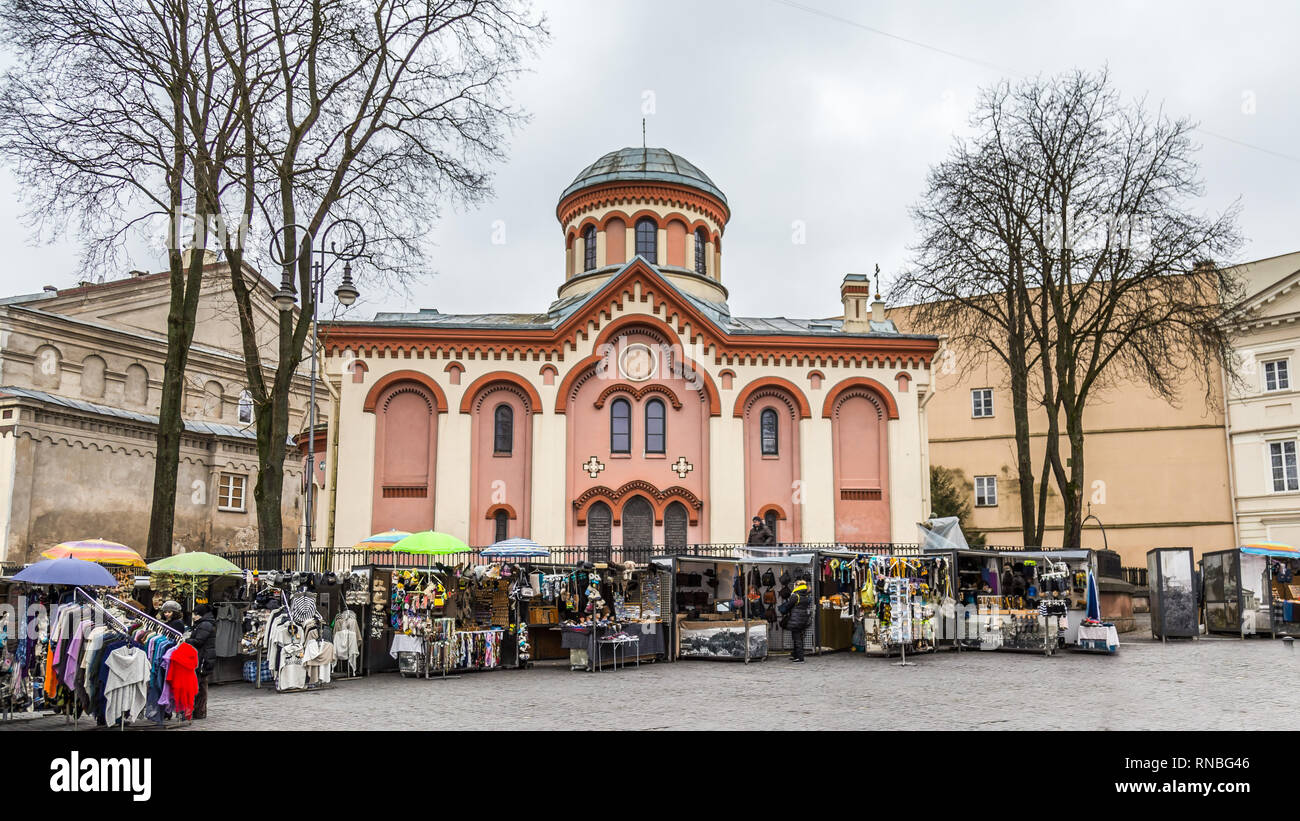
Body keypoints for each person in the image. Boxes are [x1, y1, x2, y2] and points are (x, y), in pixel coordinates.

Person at [187, 604, 217, 720]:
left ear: (200, 614)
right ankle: (199, 711)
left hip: (203, 658)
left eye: (194, 614)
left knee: (201, 685)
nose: (193, 617)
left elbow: (199, 641)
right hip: (204, 657)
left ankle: (199, 711)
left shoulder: (205, 624)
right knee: (201, 684)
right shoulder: (204, 623)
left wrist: (187, 640)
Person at [778, 576, 813, 662]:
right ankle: (796, 655)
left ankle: (800, 657)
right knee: (798, 637)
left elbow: (789, 606)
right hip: (803, 619)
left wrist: (783, 610)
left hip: (796, 619)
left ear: (797, 586)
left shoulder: (795, 596)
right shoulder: (805, 596)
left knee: (797, 638)